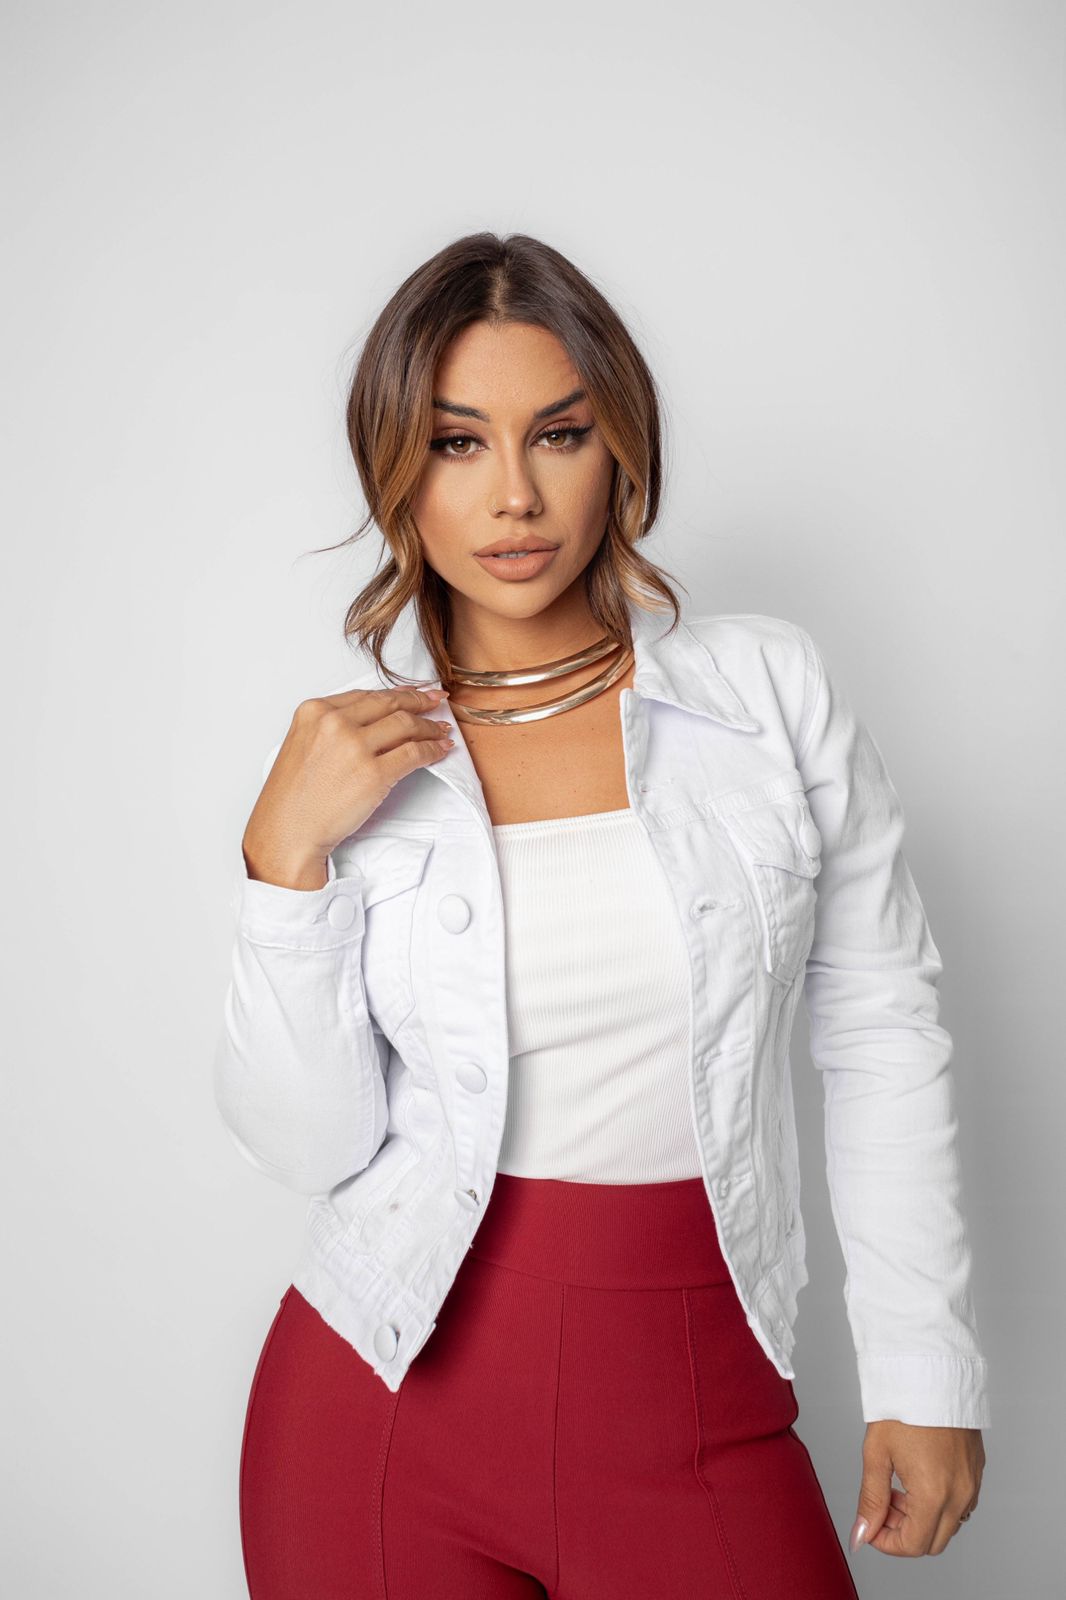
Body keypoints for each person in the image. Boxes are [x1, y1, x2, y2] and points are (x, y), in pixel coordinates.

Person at [215, 232, 989, 1598]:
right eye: (457, 443)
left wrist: (922, 1369)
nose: (514, 494)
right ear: (396, 468)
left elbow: (878, 1028)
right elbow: (307, 1144)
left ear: (618, 446)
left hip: (694, 1397)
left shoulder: (764, 698)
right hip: (380, 1414)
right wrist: (281, 863)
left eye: (557, 434)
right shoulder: (354, 768)